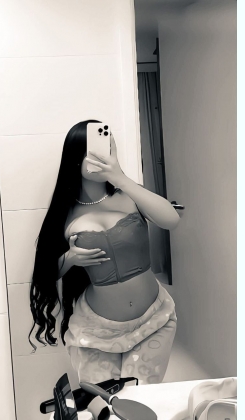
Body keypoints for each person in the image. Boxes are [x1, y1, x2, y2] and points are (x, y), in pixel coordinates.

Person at [29, 120, 180, 385]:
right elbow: (44, 274)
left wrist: (120, 177)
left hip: (154, 321)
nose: (103, 157)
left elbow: (171, 220)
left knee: (140, 400)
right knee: (102, 402)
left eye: (109, 149)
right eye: (95, 151)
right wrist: (70, 258)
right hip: (96, 332)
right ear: (76, 158)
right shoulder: (65, 213)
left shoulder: (129, 196)